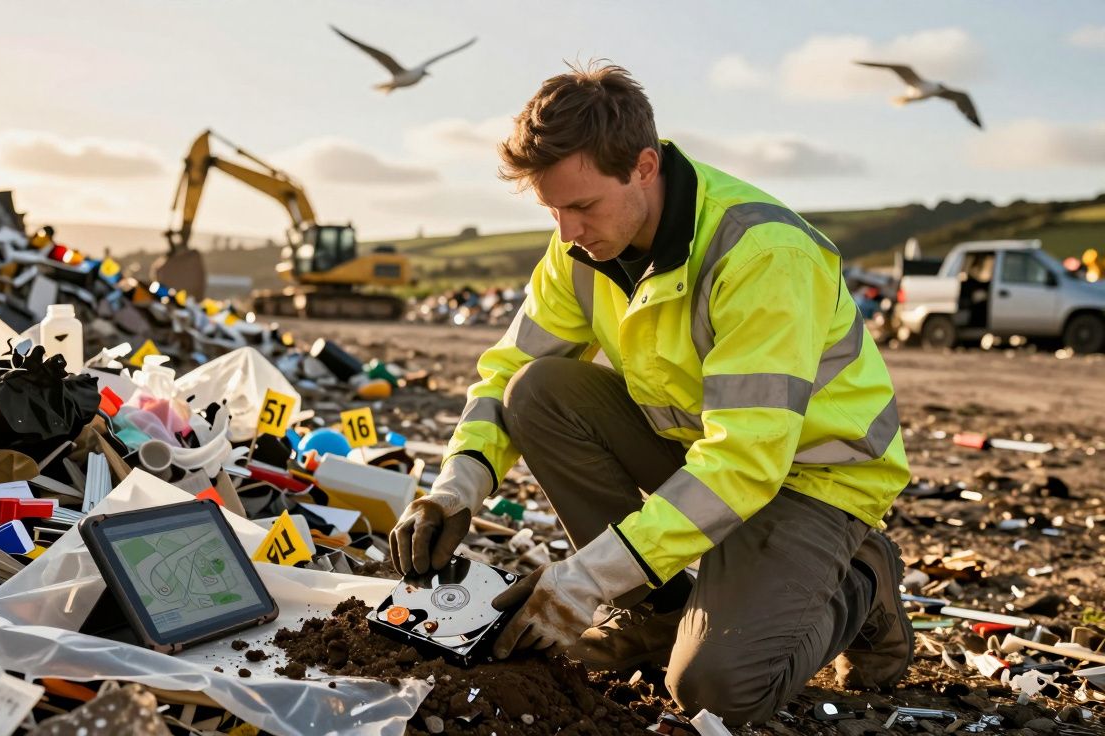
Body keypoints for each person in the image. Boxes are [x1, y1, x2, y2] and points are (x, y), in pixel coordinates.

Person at [389, 61, 913, 726]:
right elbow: (508, 370)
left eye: (581, 206)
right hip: (700, 450)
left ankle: (861, 580)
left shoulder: (762, 254)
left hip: (811, 477)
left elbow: (747, 463)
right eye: (552, 209)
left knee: (715, 692)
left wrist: (586, 580)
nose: (567, 232)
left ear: (643, 166)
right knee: (539, 391)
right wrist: (454, 488)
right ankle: (652, 613)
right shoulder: (578, 249)